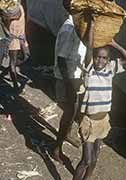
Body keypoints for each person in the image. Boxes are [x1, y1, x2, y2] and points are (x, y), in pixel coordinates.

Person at [73, 14, 126, 180]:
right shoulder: (89, 70)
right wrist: (92, 25)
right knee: (86, 160)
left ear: (108, 60)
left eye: (104, 58)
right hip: (89, 122)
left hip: (103, 120)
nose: (100, 60)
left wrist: (114, 43)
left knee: (95, 158)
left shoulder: (110, 70)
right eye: (98, 57)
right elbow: (89, 47)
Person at [52, 15, 86, 162]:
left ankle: (67, 134)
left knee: (73, 110)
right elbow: (61, 60)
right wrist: (69, 85)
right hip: (67, 78)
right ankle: (56, 149)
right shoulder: (69, 28)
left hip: (75, 76)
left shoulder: (79, 26)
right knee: (69, 111)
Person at [0, 2, 30, 91]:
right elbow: (6, 31)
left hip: (21, 37)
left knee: (26, 56)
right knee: (13, 64)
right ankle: (16, 85)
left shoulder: (19, 8)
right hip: (13, 40)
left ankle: (6, 72)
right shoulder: (6, 16)